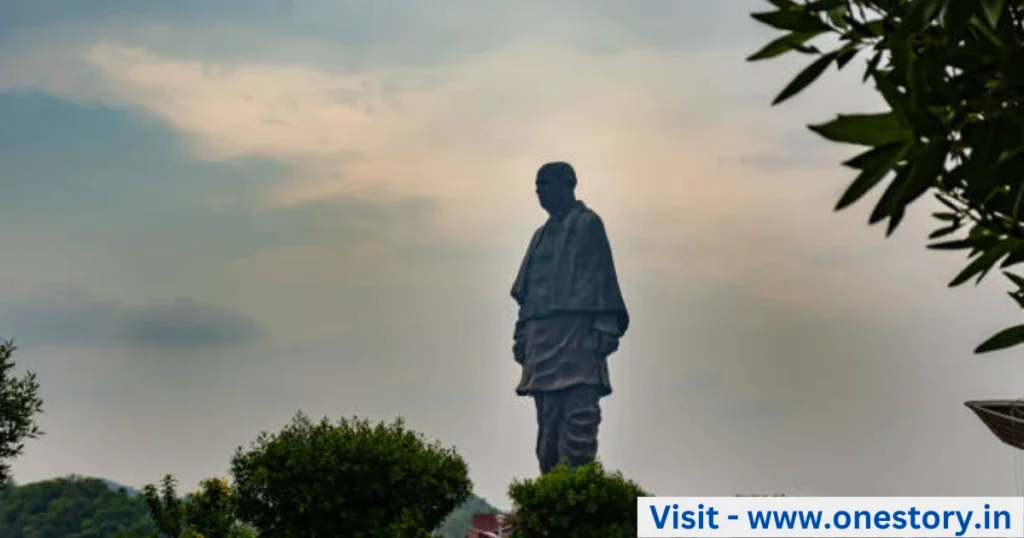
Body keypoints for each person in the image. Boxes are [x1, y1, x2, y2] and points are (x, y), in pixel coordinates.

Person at [510, 161, 629, 474]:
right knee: (547, 427)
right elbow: (527, 290)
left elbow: (602, 277)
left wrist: (605, 324)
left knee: (579, 419)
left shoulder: (588, 224)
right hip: (542, 339)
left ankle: (575, 494)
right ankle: (551, 494)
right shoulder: (540, 235)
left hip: (577, 336)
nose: (540, 192)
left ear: (568, 185)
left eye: (545, 184)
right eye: (537, 186)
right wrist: (521, 334)